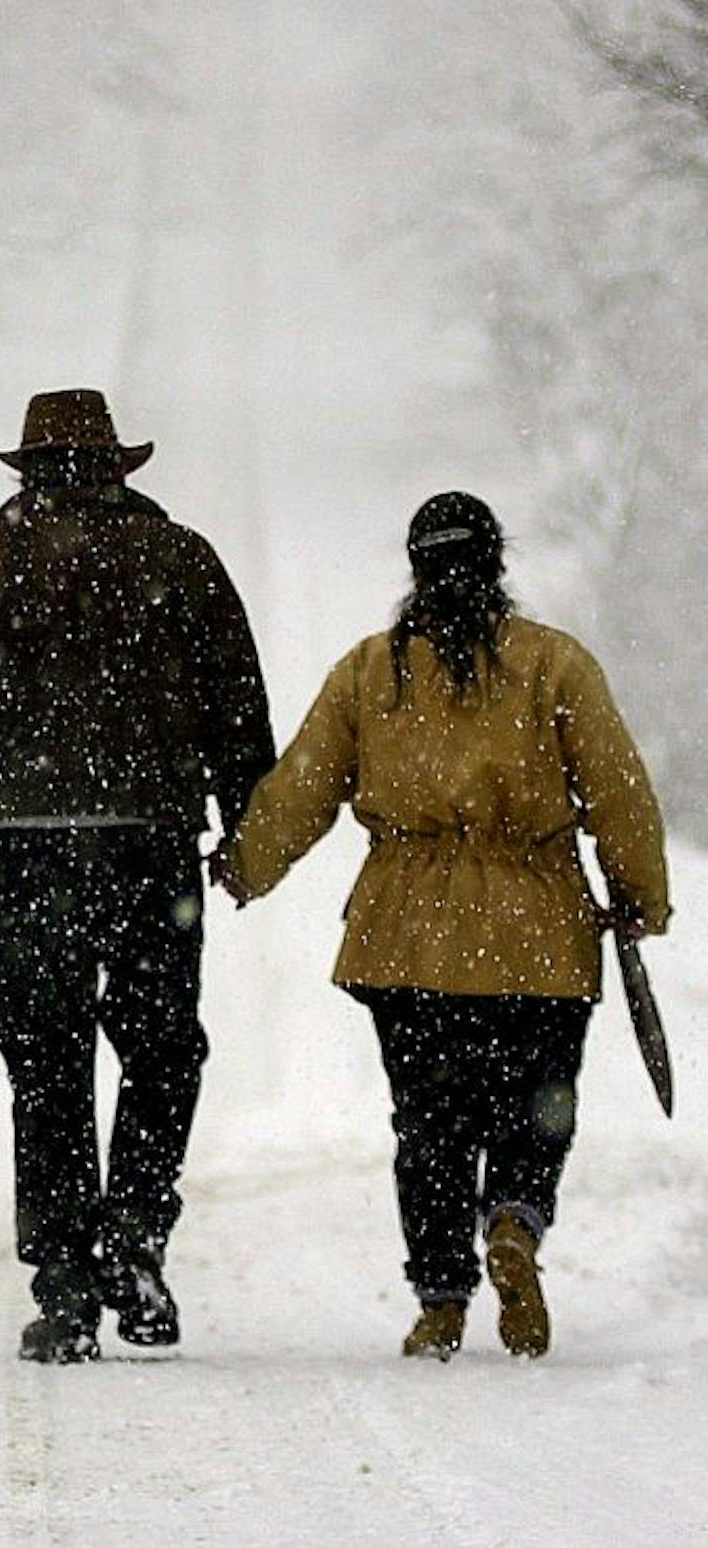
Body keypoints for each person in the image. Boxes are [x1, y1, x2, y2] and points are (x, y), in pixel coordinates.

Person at [213, 490, 670, 1361]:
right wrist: (642, 893)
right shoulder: (554, 666)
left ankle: (440, 1301)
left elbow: (305, 784)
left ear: (416, 571)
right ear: (497, 566)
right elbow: (616, 788)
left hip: (408, 934)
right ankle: (514, 1225)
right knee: (538, 1107)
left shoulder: (368, 674)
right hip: (539, 932)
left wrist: (245, 864)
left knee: (429, 1123)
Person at [0, 388, 274, 1364]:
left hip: (32, 848)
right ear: (115, 468)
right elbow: (237, 700)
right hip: (151, 843)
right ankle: (135, 1241)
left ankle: (62, 1285)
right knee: (161, 1048)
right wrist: (245, 825)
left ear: (25, 470)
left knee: (46, 1062)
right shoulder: (180, 560)